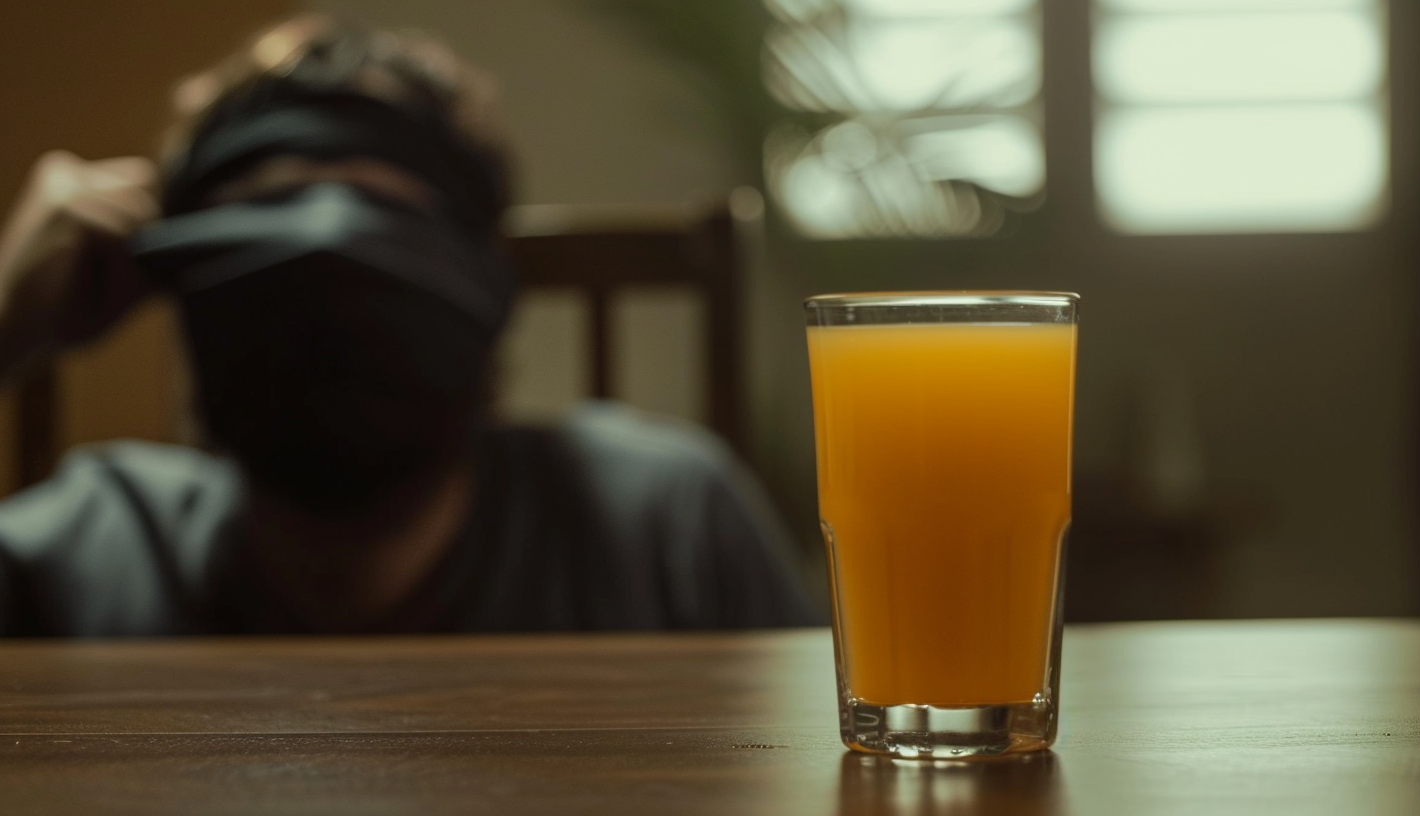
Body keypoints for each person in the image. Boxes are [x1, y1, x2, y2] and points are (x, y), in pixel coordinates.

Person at [0, 15, 820, 636]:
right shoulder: (93, 544)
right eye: (269, 218)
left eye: (385, 221)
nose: (327, 260)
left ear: (489, 286)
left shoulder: (663, 525)